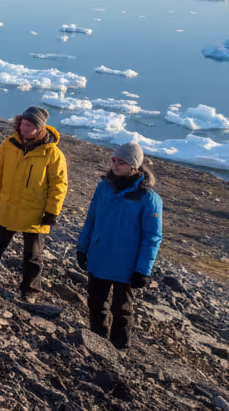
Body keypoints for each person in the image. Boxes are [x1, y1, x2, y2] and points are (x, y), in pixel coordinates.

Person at [76, 142, 163, 349]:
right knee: (96, 302)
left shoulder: (149, 199)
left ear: (135, 165)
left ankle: (119, 346)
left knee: (122, 308)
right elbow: (92, 219)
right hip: (99, 257)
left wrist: (143, 269)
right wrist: (82, 247)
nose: (115, 165)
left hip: (127, 265)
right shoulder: (104, 187)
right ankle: (98, 339)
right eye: (114, 160)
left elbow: (152, 237)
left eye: (121, 162)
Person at [0, 106, 68, 295]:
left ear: (40, 128)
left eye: (29, 125)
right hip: (8, 206)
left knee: (33, 256)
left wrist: (52, 212)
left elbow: (59, 186)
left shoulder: (53, 154)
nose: (24, 128)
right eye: (23, 124)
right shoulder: (9, 144)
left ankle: (30, 292)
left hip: (34, 212)